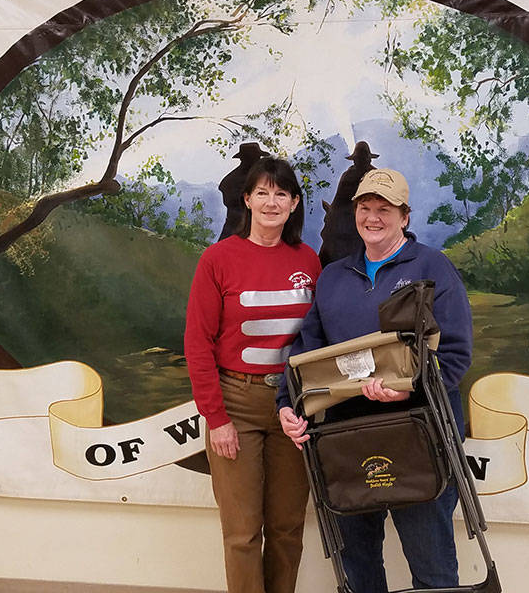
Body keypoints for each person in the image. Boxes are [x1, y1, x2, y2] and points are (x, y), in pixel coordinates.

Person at [277, 168, 473, 593]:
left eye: (384, 209)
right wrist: (287, 406)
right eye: (365, 208)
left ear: (404, 216)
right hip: (345, 439)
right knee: (357, 565)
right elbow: (304, 351)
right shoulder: (332, 277)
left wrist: (407, 387)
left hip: (420, 438)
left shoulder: (432, 267)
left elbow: (455, 356)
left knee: (432, 566)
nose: (373, 217)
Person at [184, 156, 321, 593]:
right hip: (236, 405)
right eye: (262, 192)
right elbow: (197, 344)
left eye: (282, 193)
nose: (271, 201)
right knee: (243, 533)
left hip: (293, 408)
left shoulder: (308, 261)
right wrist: (217, 418)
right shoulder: (218, 259)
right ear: (246, 200)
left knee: (286, 528)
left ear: (295, 203)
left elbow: (318, 337)